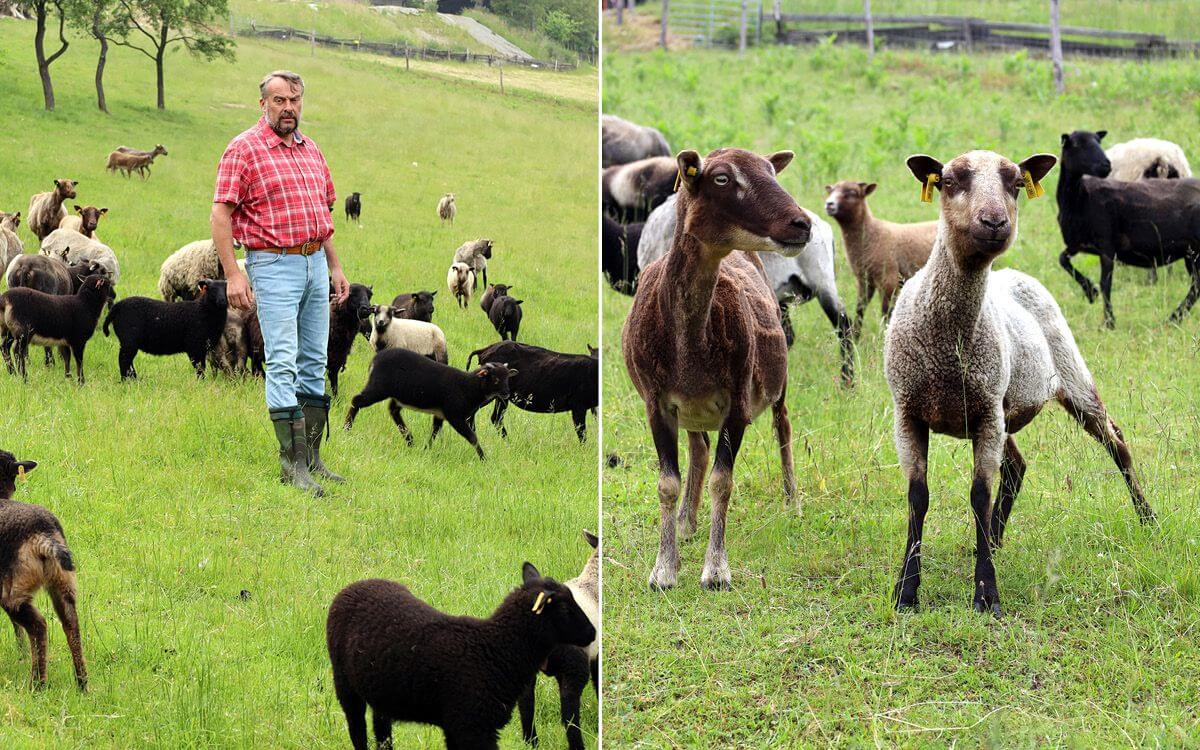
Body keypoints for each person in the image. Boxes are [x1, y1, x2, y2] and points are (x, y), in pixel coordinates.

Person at [211, 70, 350, 496]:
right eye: (279, 101)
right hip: (273, 265)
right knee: (284, 361)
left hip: (314, 263)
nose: (288, 108)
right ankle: (292, 467)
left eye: (294, 100)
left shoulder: (312, 150)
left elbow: (322, 217)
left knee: (314, 361)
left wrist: (336, 266)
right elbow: (221, 215)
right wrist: (234, 273)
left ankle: (312, 459)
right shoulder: (244, 149)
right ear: (263, 104)